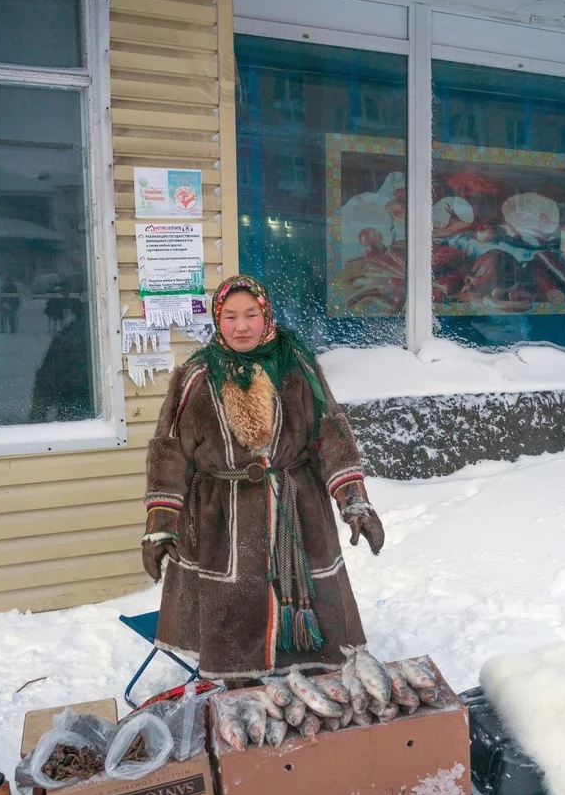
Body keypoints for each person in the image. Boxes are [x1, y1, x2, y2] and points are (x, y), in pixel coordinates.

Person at [142, 275, 385, 680]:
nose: (242, 326)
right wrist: (160, 526)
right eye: (231, 316)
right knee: (234, 604)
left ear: (265, 314)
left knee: (309, 602)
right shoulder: (196, 376)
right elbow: (169, 452)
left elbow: (331, 432)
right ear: (218, 320)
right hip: (222, 517)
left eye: (251, 314)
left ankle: (309, 677)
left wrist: (354, 500)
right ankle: (239, 680)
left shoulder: (298, 365)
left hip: (297, 505)